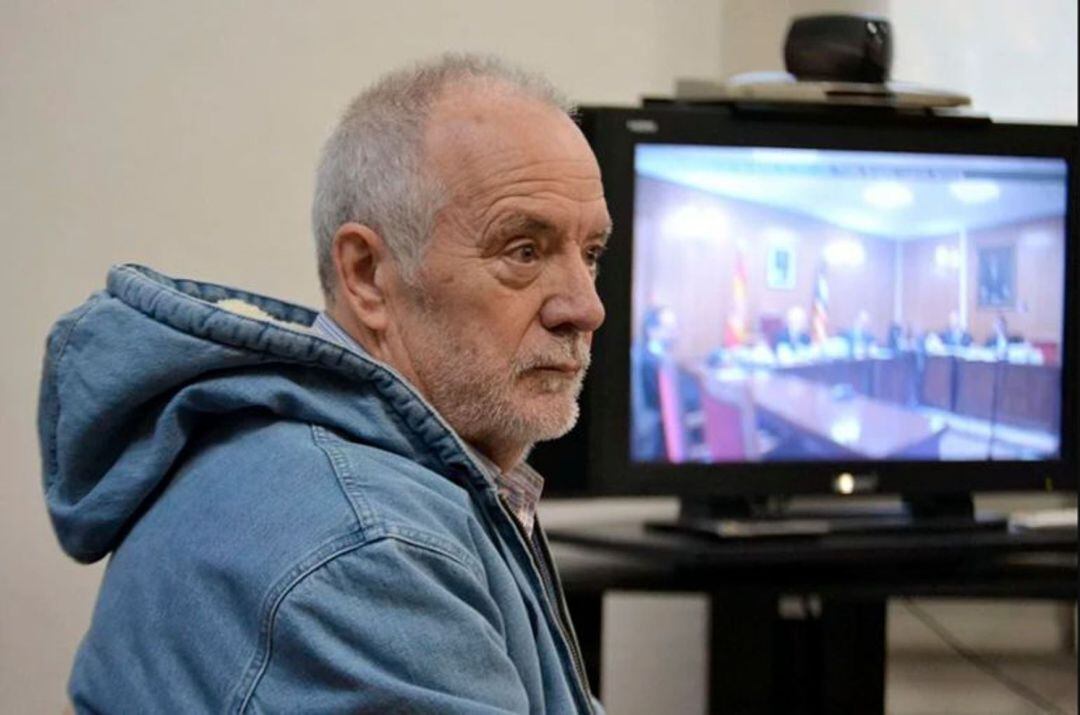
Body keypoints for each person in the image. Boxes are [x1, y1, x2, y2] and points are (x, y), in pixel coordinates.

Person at [37, 55, 610, 713]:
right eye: (524, 251)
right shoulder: (369, 544)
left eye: (591, 253)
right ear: (366, 274)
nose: (585, 307)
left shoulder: (348, 470)